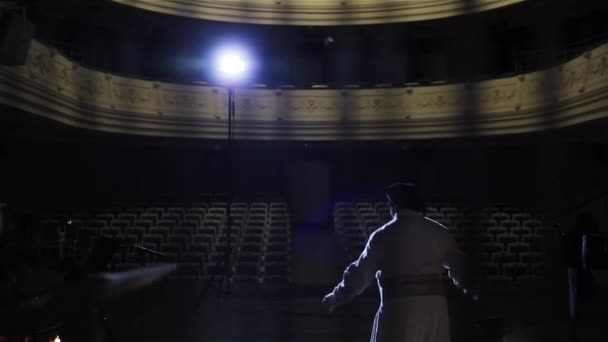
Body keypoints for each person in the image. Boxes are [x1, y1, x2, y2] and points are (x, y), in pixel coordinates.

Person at [322, 183, 477, 342]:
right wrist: (477, 290)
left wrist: (335, 297)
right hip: (434, 311)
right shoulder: (439, 232)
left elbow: (359, 276)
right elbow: (461, 268)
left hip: (397, 310)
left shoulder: (383, 235)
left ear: (393, 205)